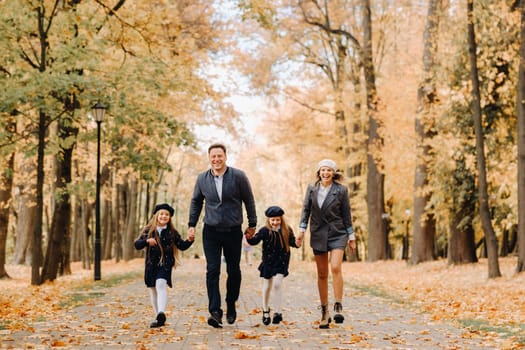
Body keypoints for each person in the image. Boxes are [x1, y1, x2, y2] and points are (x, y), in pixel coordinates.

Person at [188, 143, 257, 328]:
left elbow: (249, 199)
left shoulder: (238, 176)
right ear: (209, 158)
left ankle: (230, 303)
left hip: (233, 230)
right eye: (213, 156)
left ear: (225, 157)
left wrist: (252, 224)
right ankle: (215, 311)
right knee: (213, 270)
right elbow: (196, 202)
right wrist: (191, 225)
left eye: (220, 156)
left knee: (233, 270)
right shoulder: (202, 178)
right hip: (210, 231)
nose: (216, 159)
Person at [297, 159, 356, 329]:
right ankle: (324, 311)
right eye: (323, 170)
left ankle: (338, 304)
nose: (326, 173)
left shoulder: (341, 190)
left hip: (338, 233)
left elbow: (346, 214)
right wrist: (301, 231)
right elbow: (305, 211)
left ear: (334, 173)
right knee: (322, 274)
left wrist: (351, 237)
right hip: (318, 233)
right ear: (319, 172)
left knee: (336, 267)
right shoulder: (311, 188)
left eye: (329, 170)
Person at [134, 203, 195, 328]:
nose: (164, 216)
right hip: (151, 265)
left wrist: (190, 240)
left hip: (165, 263)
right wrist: (146, 241)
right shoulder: (149, 230)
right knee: (152, 289)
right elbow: (137, 244)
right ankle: (158, 317)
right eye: (161, 214)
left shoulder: (172, 232)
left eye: (166, 214)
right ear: (156, 216)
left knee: (160, 284)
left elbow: (181, 246)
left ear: (170, 217)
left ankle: (161, 312)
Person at [245, 206, 301, 325]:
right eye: (273, 220)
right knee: (267, 286)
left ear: (281, 219)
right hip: (268, 262)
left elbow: (293, 242)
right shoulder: (265, 230)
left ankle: (277, 312)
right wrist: (248, 237)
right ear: (268, 220)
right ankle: (265, 311)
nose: (275, 222)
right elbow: (255, 241)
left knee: (277, 284)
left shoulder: (287, 229)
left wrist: (297, 243)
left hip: (281, 261)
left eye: (277, 220)